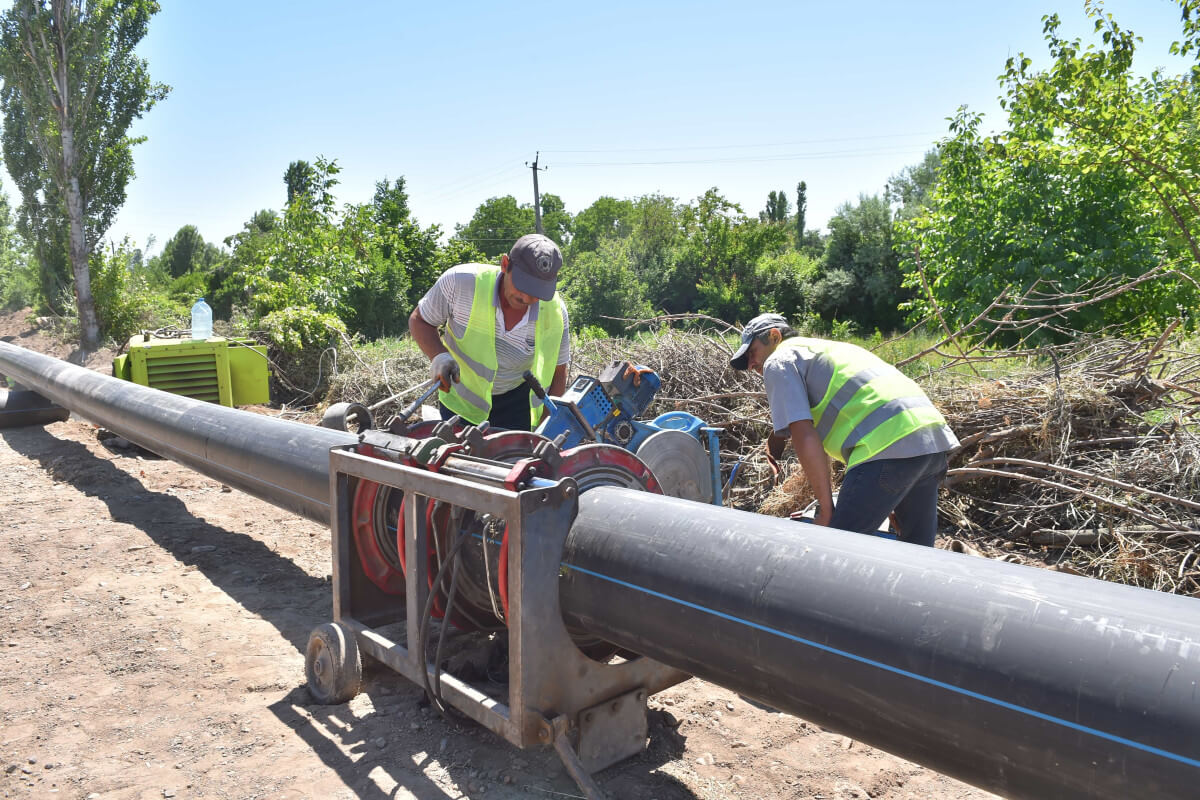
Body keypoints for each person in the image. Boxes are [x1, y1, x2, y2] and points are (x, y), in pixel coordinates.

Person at [730, 313, 958, 547]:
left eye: (751, 353)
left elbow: (803, 434)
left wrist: (826, 510)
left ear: (774, 336)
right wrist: (888, 498)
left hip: (887, 448)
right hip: (931, 441)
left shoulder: (780, 360)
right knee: (918, 553)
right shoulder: (829, 349)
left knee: (836, 550)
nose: (750, 364)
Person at [408, 233, 570, 432]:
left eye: (537, 291)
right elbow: (420, 320)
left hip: (516, 405)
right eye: (523, 286)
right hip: (461, 403)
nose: (527, 298)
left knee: (509, 462)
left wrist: (546, 430)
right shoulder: (461, 283)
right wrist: (439, 356)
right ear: (505, 264)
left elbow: (558, 373)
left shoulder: (555, 313)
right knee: (457, 460)